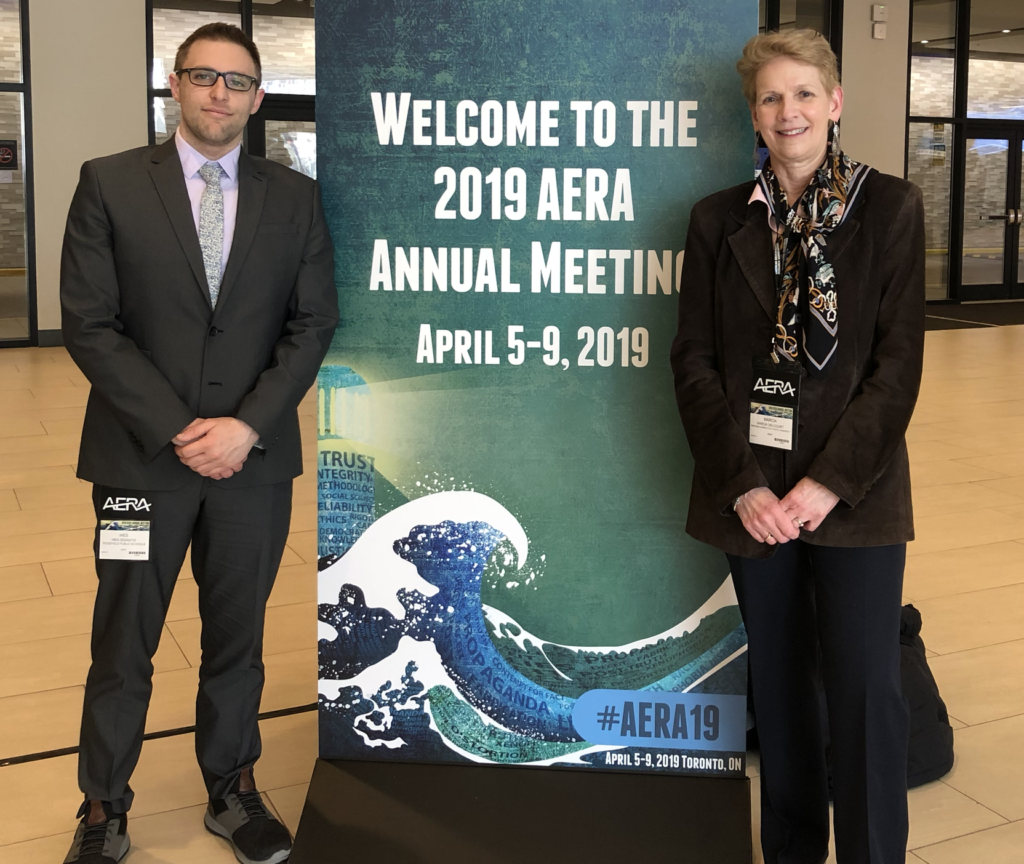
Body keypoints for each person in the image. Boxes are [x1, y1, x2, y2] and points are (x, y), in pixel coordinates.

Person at [60, 23, 338, 864]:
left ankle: (233, 789)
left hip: (252, 466)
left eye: (240, 81)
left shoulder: (294, 198)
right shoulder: (108, 183)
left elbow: (313, 322)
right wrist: (184, 430)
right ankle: (103, 807)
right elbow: (91, 325)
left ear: (258, 98)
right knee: (124, 638)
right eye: (205, 76)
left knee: (237, 634)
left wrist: (246, 426)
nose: (222, 93)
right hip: (141, 461)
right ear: (174, 86)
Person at [670, 30, 924, 864]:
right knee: (778, 692)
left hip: (855, 492)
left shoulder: (889, 209)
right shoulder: (717, 221)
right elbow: (695, 362)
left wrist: (825, 485)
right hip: (752, 499)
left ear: (836, 102)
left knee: (862, 691)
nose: (790, 112)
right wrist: (741, 486)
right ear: (754, 113)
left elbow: (897, 367)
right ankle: (790, 852)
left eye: (805, 94)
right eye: (773, 98)